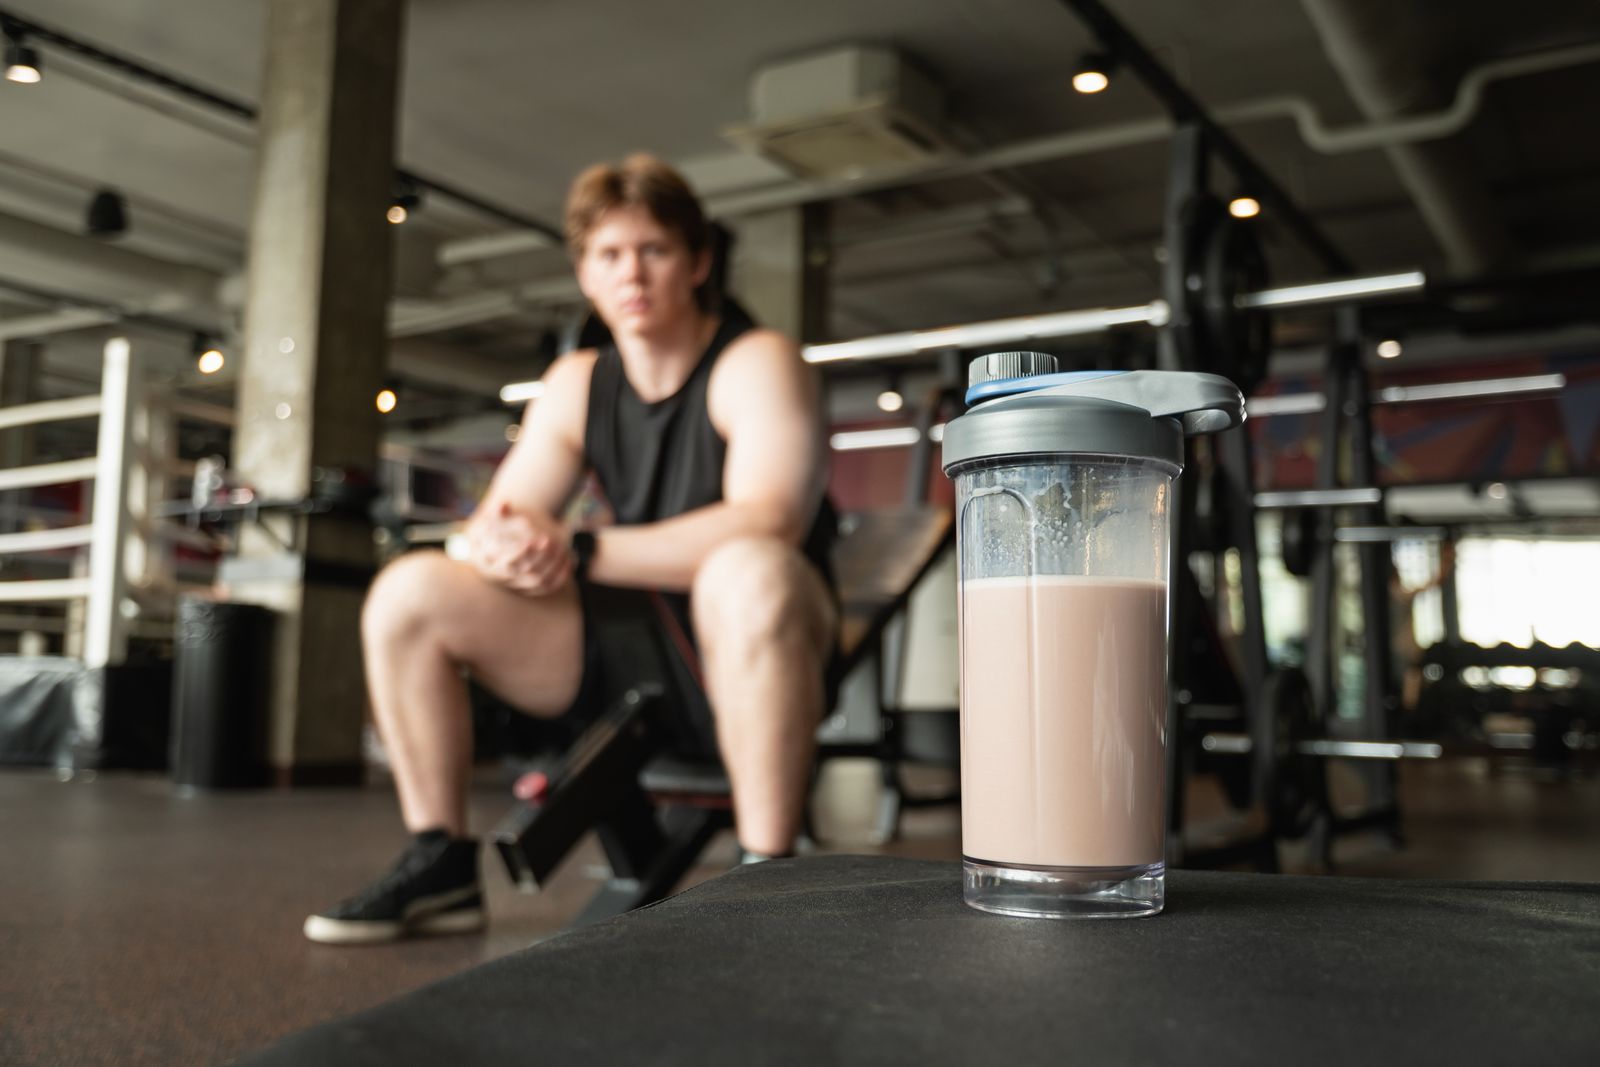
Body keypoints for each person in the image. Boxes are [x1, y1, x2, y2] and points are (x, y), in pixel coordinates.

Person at [303, 154, 838, 945]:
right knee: (410, 589)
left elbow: (769, 520)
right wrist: (507, 551)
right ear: (584, 273)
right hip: (629, 656)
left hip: (761, 645)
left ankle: (767, 866)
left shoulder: (754, 360)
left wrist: (580, 550)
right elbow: (499, 521)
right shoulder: (577, 381)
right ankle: (442, 861)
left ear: (697, 262)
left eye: (653, 250)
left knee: (746, 567)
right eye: (609, 255)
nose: (633, 273)